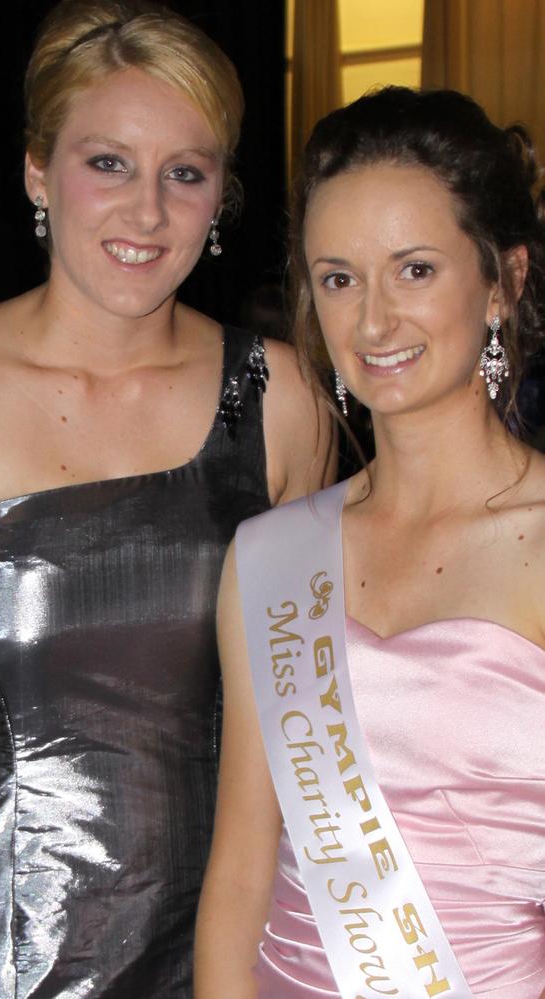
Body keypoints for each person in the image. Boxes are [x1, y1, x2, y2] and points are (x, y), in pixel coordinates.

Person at [0, 2, 331, 996]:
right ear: (36, 171)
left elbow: (312, 721)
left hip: (230, 942)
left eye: (185, 172)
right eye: (108, 164)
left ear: (220, 194)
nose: (147, 213)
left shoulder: (282, 399)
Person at [195, 87, 545, 998]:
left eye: (416, 269)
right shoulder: (271, 556)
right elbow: (239, 877)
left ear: (504, 280)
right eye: (339, 277)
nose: (374, 321)